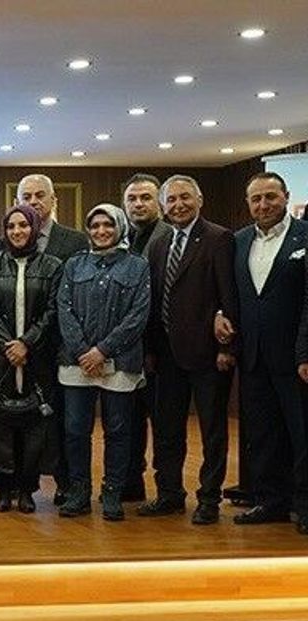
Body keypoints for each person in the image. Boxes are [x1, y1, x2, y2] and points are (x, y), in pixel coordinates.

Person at [140, 175, 237, 525]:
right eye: (172, 200)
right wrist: (150, 350)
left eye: (185, 198)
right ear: (163, 206)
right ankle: (169, 494)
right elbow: (154, 301)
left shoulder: (218, 238)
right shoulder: (159, 243)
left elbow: (229, 294)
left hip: (208, 354)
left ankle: (209, 498)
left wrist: (228, 346)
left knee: (212, 431)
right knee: (166, 430)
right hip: (166, 355)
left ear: (199, 200)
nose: (178, 205)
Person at [56, 204, 150, 520]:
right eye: (95, 226)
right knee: (75, 430)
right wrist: (84, 351)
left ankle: (112, 493)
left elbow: (138, 315)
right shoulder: (74, 264)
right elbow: (64, 309)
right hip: (77, 361)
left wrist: (103, 351)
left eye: (108, 225)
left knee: (118, 431)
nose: (101, 231)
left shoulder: (137, 266)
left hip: (120, 361)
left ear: (120, 227)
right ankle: (79, 492)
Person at [0, 204, 63, 513]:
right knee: (0, 423)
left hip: (36, 359)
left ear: (34, 228)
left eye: (23, 225)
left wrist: (27, 344)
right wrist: (10, 347)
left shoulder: (52, 265)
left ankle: (27, 490)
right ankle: (3, 488)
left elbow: (53, 310)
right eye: (11, 226)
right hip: (0, 359)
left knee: (33, 426)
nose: (17, 231)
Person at [237, 172, 308, 528]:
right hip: (253, 356)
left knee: (303, 434)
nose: (263, 205)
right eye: (256, 199)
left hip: (297, 358)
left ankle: (305, 507)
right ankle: (270, 502)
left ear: (286, 196)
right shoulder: (239, 241)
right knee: (263, 434)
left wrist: (305, 352)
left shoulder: (304, 236)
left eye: (270, 197)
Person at [16, 174, 86, 506]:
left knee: (63, 420)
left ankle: (65, 482)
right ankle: (24, 484)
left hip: (62, 345)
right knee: (25, 418)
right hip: (20, 348)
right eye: (26, 196)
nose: (33, 202)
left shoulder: (75, 241)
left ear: (54, 200)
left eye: (39, 195)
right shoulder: (8, 240)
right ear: (17, 202)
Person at [120, 173, 170, 503]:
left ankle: (167, 491)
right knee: (129, 421)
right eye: (132, 199)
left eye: (146, 198)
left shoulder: (168, 237)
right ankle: (131, 482)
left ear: (159, 203)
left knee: (164, 425)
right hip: (129, 350)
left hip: (163, 349)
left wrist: (151, 349)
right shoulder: (122, 238)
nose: (138, 204)